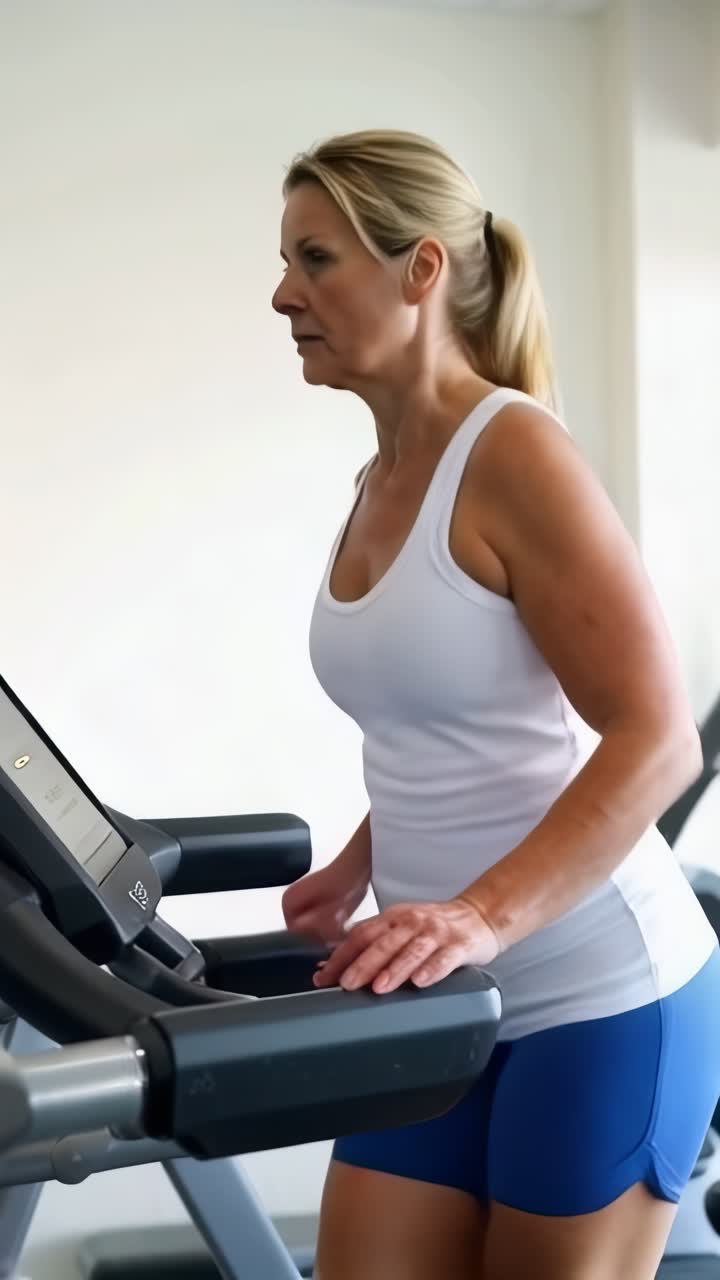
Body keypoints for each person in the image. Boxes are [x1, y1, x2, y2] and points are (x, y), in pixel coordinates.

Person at [273, 129, 720, 1280]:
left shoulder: (515, 452)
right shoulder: (376, 477)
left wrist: (474, 911)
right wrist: (368, 857)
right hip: (441, 994)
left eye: (316, 259)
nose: (283, 294)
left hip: (601, 990)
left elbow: (657, 736)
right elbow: (459, 717)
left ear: (420, 270)